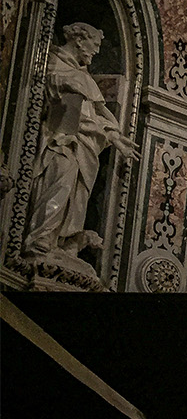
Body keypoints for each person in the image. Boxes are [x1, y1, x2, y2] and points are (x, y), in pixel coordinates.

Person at [24, 22, 136, 263]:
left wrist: (115, 136)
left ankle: (63, 241)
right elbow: (41, 86)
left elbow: (96, 112)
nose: (96, 51)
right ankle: (40, 238)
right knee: (60, 180)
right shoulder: (51, 59)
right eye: (94, 45)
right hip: (59, 138)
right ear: (79, 40)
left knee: (78, 192)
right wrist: (63, 83)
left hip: (84, 143)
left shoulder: (83, 76)